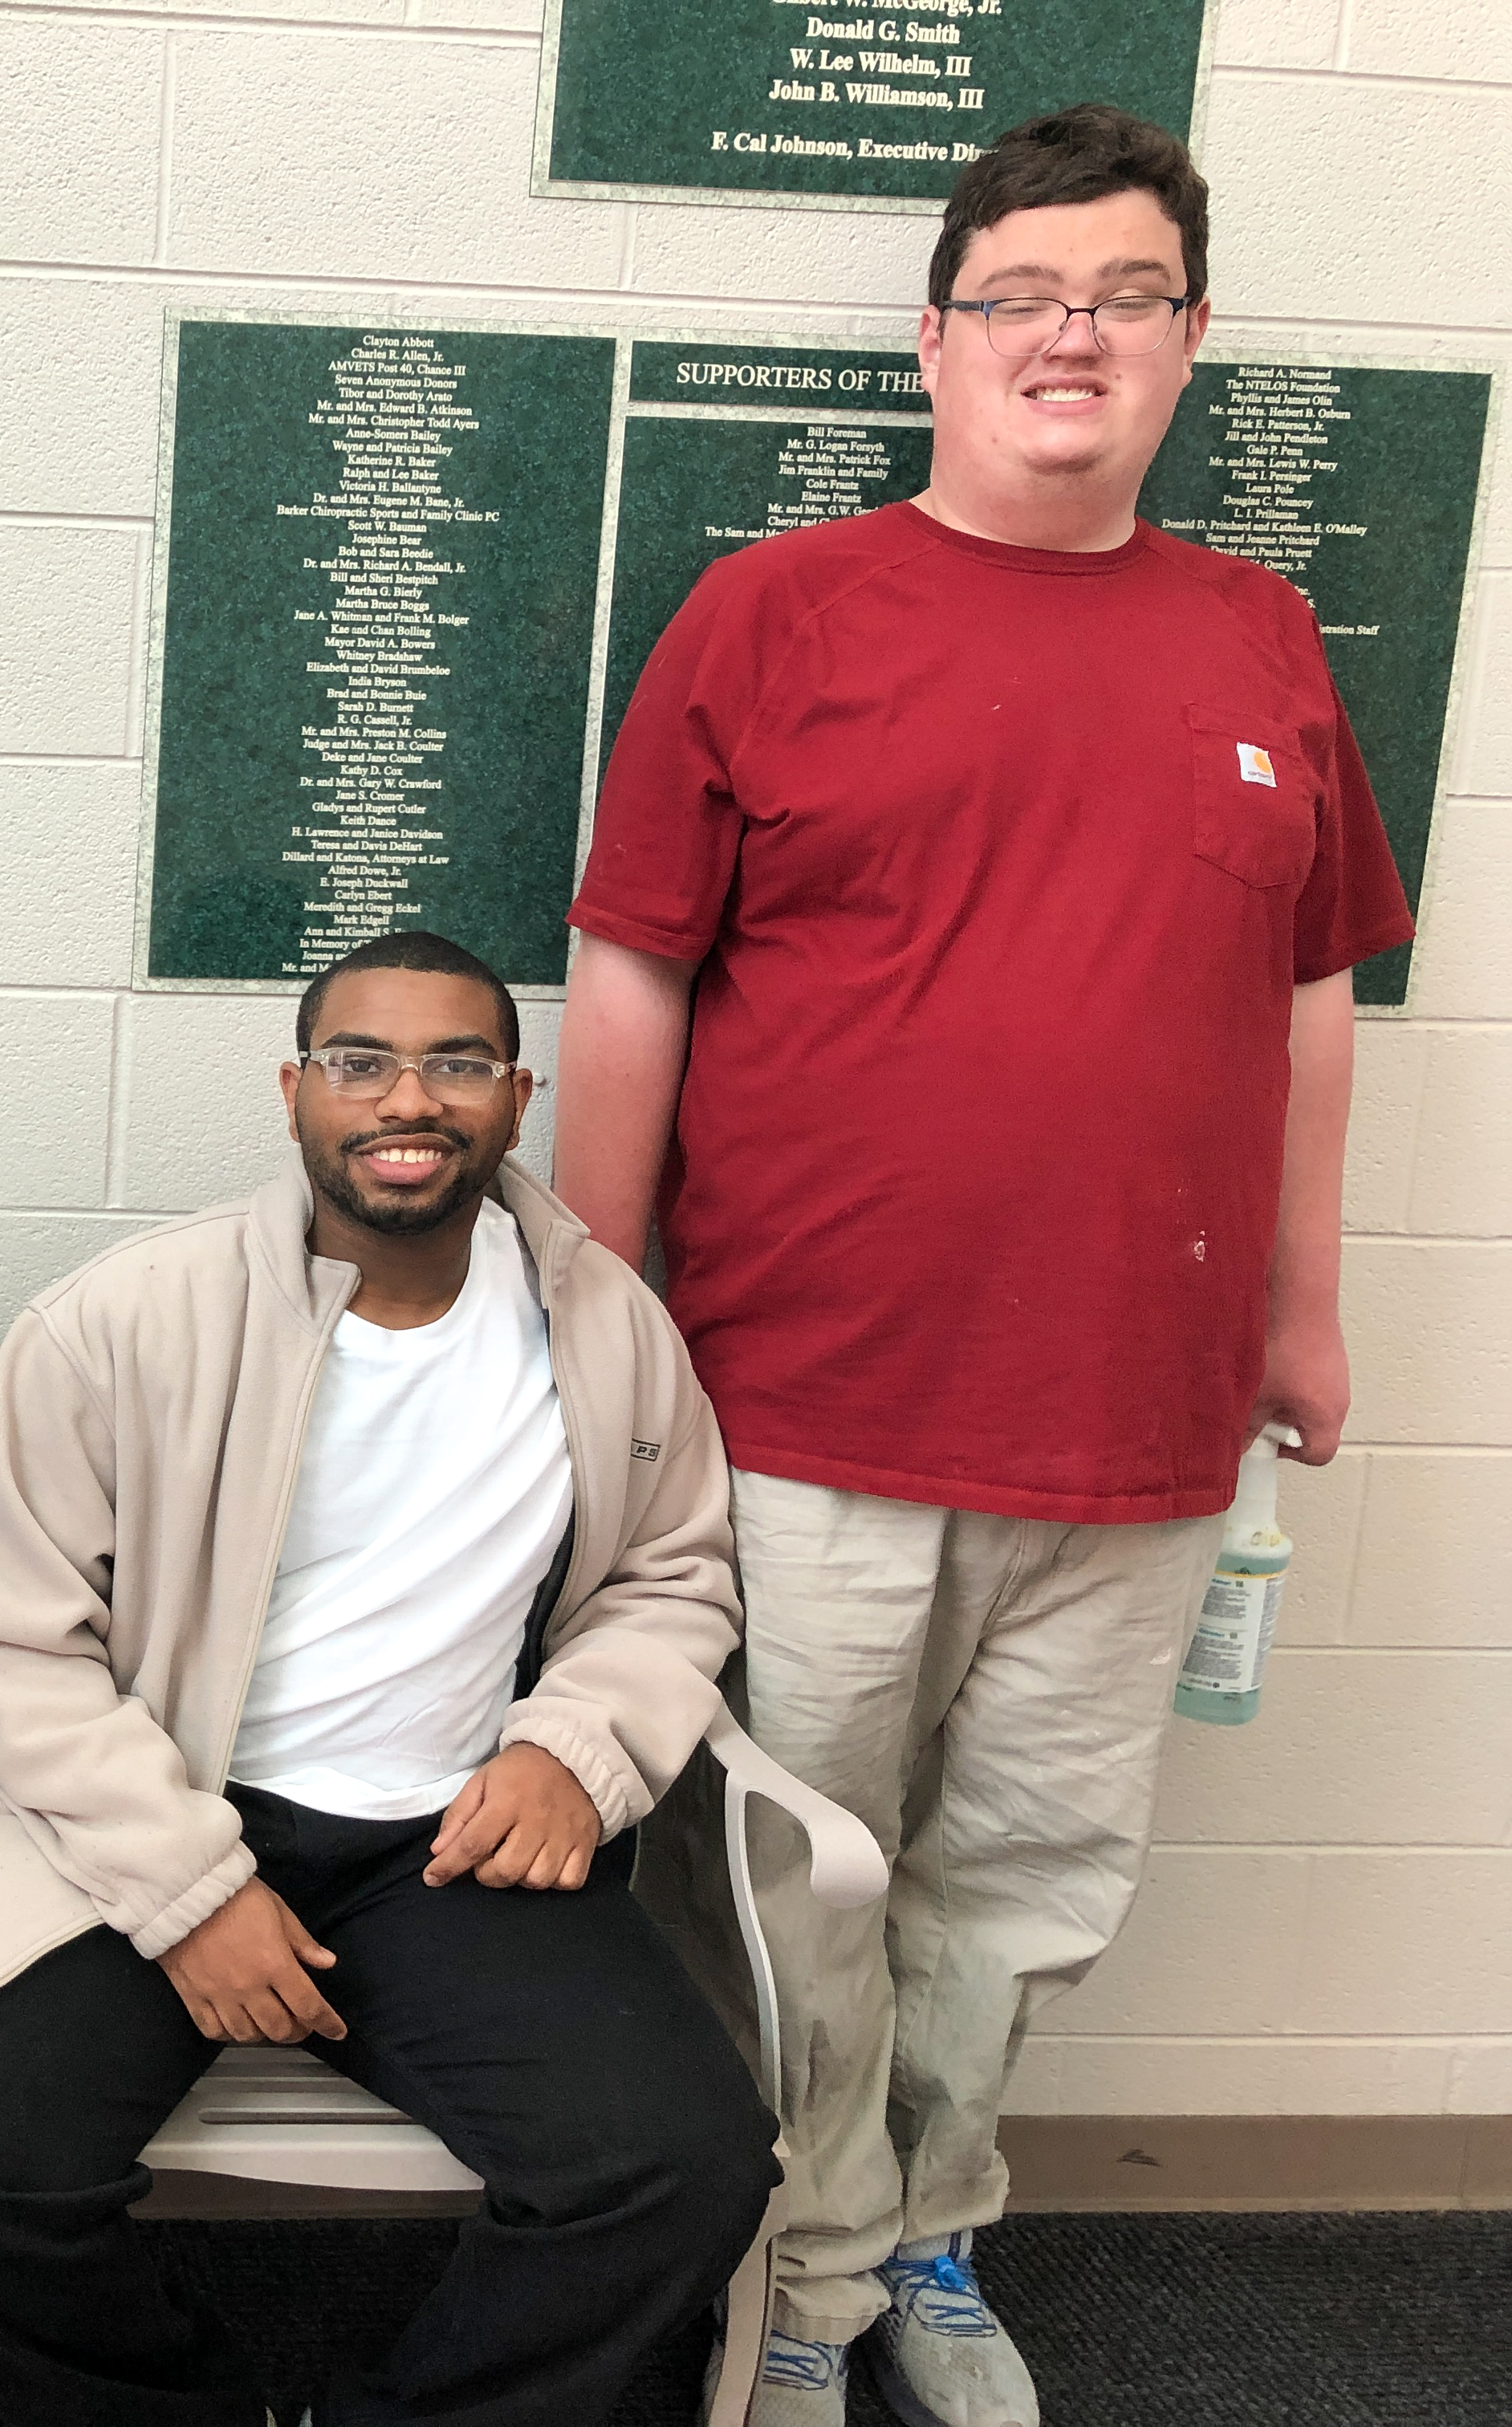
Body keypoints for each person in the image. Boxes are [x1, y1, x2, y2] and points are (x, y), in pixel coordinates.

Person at [552, 106, 1416, 2427]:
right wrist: (596, 1318)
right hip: (810, 1407)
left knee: (1024, 1890)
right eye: (1024, 294)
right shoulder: (777, 614)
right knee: (783, 1884)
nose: (1075, 336)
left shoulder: (1262, 634)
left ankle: (924, 2239)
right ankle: (787, 2273)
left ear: (1188, 344)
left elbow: (1314, 999)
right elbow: (631, 978)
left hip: (1137, 1427)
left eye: (1126, 297)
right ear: (934, 341)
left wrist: (1303, 1305)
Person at [0, 929, 778, 2427]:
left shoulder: (604, 1325)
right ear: (296, 1090)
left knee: (680, 2167)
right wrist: (191, 1889)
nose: (407, 1098)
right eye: (361, 1061)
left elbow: (672, 1578)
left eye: (457, 1062)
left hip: (445, 1849)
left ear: (517, 1096)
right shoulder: (128, 1317)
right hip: (136, 1826)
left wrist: (578, 1749)